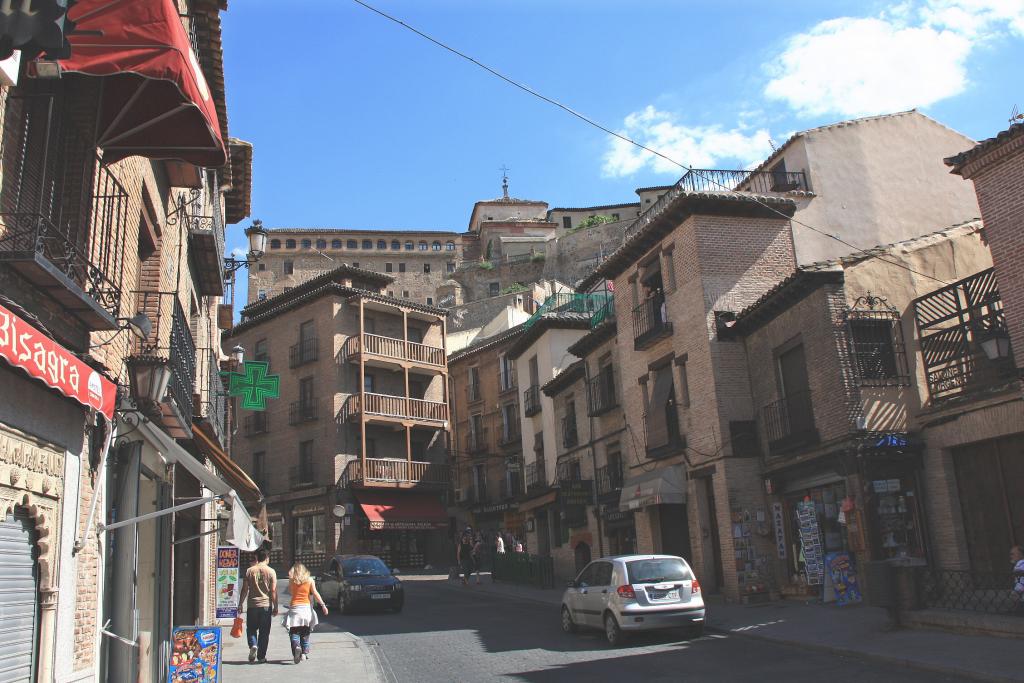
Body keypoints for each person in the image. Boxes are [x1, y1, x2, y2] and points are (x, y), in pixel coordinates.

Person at [236, 548, 277, 664]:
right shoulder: (271, 571)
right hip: (265, 605)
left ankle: (253, 644)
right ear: (267, 558)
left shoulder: (249, 571)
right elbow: (273, 591)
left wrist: (240, 604)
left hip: (252, 605)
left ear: (257, 558)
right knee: (264, 632)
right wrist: (276, 606)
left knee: (251, 629)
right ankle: (261, 656)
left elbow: (244, 589)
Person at [281, 562, 328, 664]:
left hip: (295, 609)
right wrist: (323, 605)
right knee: (305, 632)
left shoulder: (292, 580)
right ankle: (304, 654)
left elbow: (291, 592)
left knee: (294, 631)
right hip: (306, 609)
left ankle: (297, 646)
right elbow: (315, 593)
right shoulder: (310, 580)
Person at [1011, 545, 1024, 611]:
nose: (1011, 556)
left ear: (1021, 554)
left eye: (1013, 554)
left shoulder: (1021, 563)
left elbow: (1018, 571)